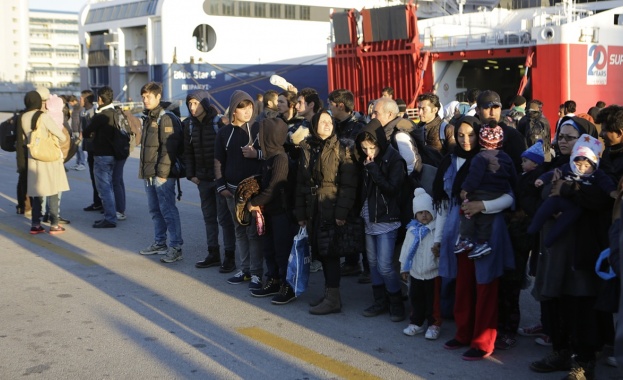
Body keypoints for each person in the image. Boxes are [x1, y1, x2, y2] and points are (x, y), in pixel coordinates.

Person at [529, 117, 609, 379]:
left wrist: (567, 190)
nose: (562, 142)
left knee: (580, 306)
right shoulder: (557, 166)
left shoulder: (598, 171)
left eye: (569, 137)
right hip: (553, 251)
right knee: (555, 302)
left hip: (581, 250)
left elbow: (599, 201)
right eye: (560, 137)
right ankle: (560, 351)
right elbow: (533, 194)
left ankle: (584, 363)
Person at [432, 115, 515, 360]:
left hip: (488, 229)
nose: (465, 140)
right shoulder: (449, 160)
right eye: (460, 134)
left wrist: (482, 206)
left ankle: (483, 341)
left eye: (470, 134)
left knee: (486, 285)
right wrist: (439, 237)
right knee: (464, 284)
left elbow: (511, 196)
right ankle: (463, 333)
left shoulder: (494, 159)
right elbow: (443, 204)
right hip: (460, 229)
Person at [295, 109, 358, 315]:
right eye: (322, 121)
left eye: (329, 121)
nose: (327, 124)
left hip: (331, 207)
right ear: (314, 125)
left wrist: (341, 213)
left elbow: (349, 185)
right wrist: (301, 214)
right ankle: (330, 294)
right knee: (321, 252)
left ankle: (333, 299)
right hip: (314, 207)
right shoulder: (307, 147)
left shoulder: (342, 148)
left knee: (330, 253)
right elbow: (301, 183)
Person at [355, 120, 407, 322]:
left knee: (385, 265)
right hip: (369, 216)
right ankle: (380, 301)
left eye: (372, 147)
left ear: (380, 143)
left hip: (387, 217)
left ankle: (396, 303)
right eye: (364, 148)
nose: (368, 152)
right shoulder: (366, 160)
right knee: (373, 263)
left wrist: (374, 169)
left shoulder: (394, 160)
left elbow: (392, 189)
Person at [528, 134, 616, 247]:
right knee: (549, 204)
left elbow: (606, 184)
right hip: (561, 200)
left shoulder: (598, 174)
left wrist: (613, 192)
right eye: (578, 164)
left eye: (586, 166)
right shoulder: (567, 167)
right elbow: (552, 173)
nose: (581, 169)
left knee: (566, 220)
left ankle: (549, 240)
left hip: (577, 206)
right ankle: (533, 228)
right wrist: (542, 179)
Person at [215, 90, 264, 289]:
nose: (247, 111)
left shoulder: (258, 128)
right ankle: (244, 270)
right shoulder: (224, 133)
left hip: (253, 193)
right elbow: (218, 160)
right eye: (243, 107)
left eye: (250, 107)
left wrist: (257, 154)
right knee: (239, 231)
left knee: (253, 232)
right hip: (231, 192)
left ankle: (257, 273)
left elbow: (271, 155)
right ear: (234, 110)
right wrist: (221, 186)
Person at [183, 90, 237, 273]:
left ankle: (229, 256)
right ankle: (213, 254)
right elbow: (188, 152)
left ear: (204, 104)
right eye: (189, 103)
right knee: (209, 218)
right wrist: (191, 175)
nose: (192, 107)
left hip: (219, 180)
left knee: (225, 219)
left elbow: (228, 152)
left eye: (196, 103)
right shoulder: (190, 125)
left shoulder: (218, 123)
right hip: (203, 180)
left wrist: (223, 177)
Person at [248, 117, 298, 304]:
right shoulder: (269, 157)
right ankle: (274, 280)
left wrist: (254, 202)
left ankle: (288, 286)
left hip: (282, 213)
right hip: (269, 211)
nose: (259, 138)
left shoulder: (280, 158)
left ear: (270, 136)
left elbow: (275, 187)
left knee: (282, 251)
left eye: (262, 134)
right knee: (269, 249)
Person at [454, 121, 516, 260]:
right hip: (499, 192)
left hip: (482, 192)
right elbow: (513, 178)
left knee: (467, 212)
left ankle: (466, 239)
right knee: (485, 219)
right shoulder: (505, 157)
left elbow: (474, 177)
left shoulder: (480, 157)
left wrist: (465, 190)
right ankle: (483, 243)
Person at [137, 82, 184, 263]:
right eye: (143, 96)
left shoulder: (165, 118)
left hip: (162, 175)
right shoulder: (149, 117)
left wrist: (162, 174)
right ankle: (160, 243)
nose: (145, 99)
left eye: (148, 96)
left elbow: (168, 149)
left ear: (158, 97)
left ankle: (175, 246)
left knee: (168, 210)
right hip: (150, 173)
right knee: (155, 210)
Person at [327, 88, 367, 280]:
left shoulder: (357, 127)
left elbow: (350, 153)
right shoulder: (336, 124)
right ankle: (352, 262)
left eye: (330, 105)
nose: (329, 109)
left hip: (356, 183)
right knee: (347, 222)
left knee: (358, 223)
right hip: (340, 181)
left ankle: (365, 266)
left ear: (340, 105)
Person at [19, 91, 70, 235]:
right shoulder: (43, 116)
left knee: (37, 192)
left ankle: (35, 224)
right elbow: (60, 135)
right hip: (48, 158)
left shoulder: (23, 117)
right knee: (53, 190)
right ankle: (54, 225)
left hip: (33, 157)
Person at [400, 188, 441, 340]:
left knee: (433, 302)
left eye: (427, 212)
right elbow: (406, 250)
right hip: (416, 272)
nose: (424, 215)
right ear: (415, 214)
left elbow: (441, 251)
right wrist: (404, 268)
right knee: (416, 299)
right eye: (420, 212)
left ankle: (434, 324)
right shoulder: (411, 230)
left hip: (433, 273)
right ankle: (416, 322)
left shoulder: (436, 230)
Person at [82, 86, 123, 228]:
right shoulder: (115, 113)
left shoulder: (101, 116)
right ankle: (111, 215)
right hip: (114, 155)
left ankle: (110, 218)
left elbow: (86, 132)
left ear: (100, 99)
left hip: (102, 156)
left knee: (104, 188)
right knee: (110, 186)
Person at [80, 90, 101, 211]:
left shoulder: (94, 113)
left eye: (81, 98)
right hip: (89, 148)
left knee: (98, 177)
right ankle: (96, 201)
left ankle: (101, 202)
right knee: (93, 177)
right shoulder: (84, 112)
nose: (79, 100)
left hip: (95, 149)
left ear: (86, 100)